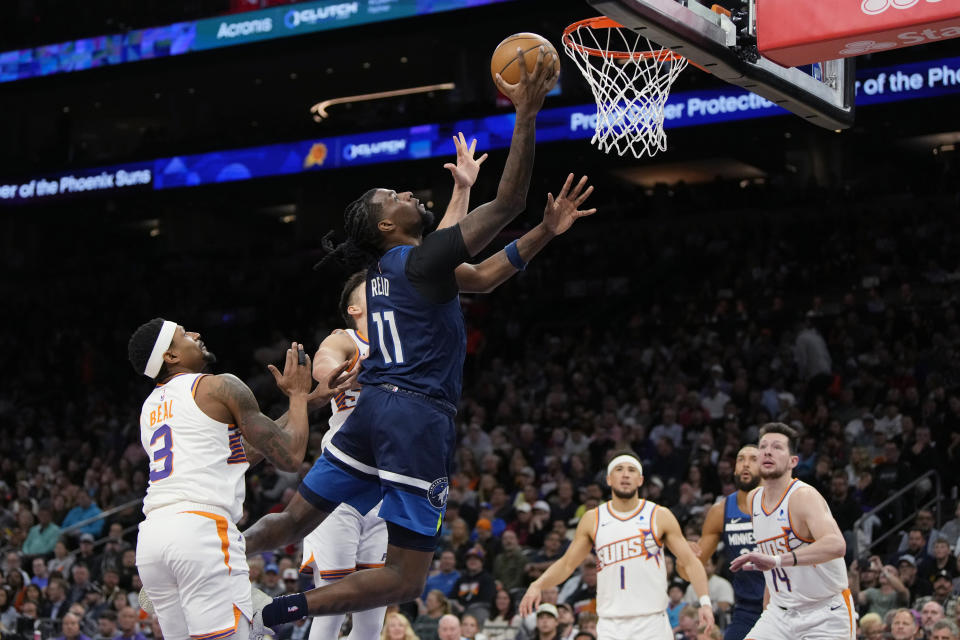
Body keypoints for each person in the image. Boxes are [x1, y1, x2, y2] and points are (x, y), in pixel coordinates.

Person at [243, 49, 592, 629]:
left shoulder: (388, 273)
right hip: (415, 417)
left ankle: (211, 560)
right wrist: (526, 112)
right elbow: (507, 203)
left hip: (373, 411)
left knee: (289, 522)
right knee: (406, 577)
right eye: (396, 198)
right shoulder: (416, 262)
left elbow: (478, 278)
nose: (408, 194)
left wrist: (544, 233)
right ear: (386, 226)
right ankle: (281, 612)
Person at [302, 137, 489, 640]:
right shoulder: (345, 338)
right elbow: (324, 363)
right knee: (331, 591)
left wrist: (461, 190)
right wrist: (325, 378)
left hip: (393, 466)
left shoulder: (408, 316)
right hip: (353, 465)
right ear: (356, 306)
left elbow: (440, 254)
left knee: (374, 601)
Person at [127, 319, 349, 640]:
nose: (195, 334)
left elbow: (237, 455)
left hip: (152, 540)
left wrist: (310, 402)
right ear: (171, 356)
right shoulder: (219, 386)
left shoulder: (151, 408)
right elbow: (289, 456)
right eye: (183, 334)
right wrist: (298, 395)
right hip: (201, 532)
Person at [519, 451, 714, 640]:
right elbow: (567, 564)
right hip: (611, 624)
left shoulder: (659, 515)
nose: (626, 474)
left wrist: (705, 602)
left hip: (652, 622)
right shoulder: (593, 519)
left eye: (631, 470)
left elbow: (690, 561)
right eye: (619, 469)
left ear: (640, 480)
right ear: (609, 479)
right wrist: (538, 584)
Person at [730, 423, 854, 640]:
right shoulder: (753, 500)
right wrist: (767, 608)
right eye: (763, 446)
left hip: (825, 613)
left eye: (777, 447)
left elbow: (837, 544)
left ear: (793, 461)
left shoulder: (803, 496)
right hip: (780, 613)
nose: (768, 451)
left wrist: (777, 560)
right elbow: (769, 562)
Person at [695, 445, 763, 640]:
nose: (746, 464)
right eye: (741, 459)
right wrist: (686, 556)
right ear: (734, 469)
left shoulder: (781, 505)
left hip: (784, 604)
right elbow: (694, 565)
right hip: (746, 609)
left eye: (753, 459)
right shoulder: (720, 511)